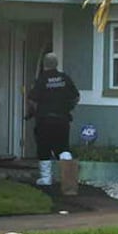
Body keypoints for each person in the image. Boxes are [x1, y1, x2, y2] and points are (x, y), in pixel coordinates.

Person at [27, 53, 80, 186]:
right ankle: (68, 181)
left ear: (44, 64)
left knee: (44, 148)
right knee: (63, 148)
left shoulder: (42, 79)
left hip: (45, 120)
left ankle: (46, 179)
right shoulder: (64, 78)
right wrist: (68, 108)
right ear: (56, 64)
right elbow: (76, 97)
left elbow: (32, 99)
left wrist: (33, 112)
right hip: (62, 120)